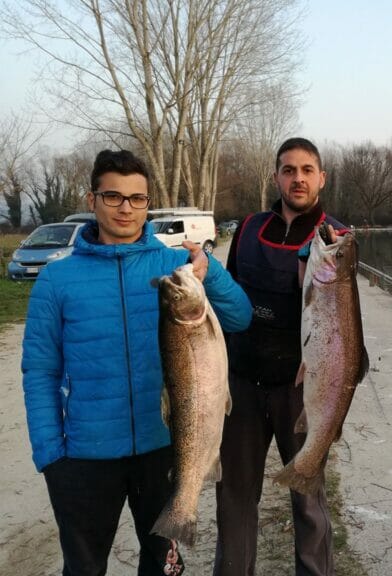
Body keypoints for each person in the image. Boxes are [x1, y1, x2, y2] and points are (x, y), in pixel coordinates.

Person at [21, 149, 252, 576]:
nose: (126, 208)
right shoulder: (57, 278)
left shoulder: (174, 266)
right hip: (83, 458)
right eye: (113, 196)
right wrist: (50, 453)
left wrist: (209, 270)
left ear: (148, 202)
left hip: (163, 451)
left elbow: (239, 315)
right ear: (92, 200)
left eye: (137, 198)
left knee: (162, 567)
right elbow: (40, 371)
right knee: (84, 568)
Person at [214, 137, 347, 576]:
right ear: (276, 177)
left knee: (308, 501)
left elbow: (342, 322)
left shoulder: (337, 238)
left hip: (301, 386)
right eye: (289, 170)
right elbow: (228, 296)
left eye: (307, 170)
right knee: (234, 497)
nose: (298, 179)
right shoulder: (249, 228)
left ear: (321, 178)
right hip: (244, 384)